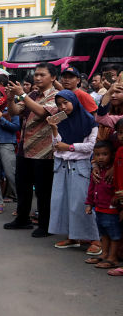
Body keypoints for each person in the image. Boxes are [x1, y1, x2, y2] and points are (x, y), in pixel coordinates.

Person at [4, 63, 59, 237]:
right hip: (25, 149)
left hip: (45, 151)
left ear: (53, 78)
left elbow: (43, 113)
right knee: (23, 187)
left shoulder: (56, 96)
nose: (37, 78)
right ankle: (22, 219)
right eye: (36, 74)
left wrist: (22, 94)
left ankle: (46, 225)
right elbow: (14, 113)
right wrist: (11, 98)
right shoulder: (33, 94)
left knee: (43, 191)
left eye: (42, 75)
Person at [46, 90, 100, 250]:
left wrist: (69, 147)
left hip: (80, 166)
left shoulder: (89, 120)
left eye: (65, 103)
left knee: (82, 203)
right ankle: (73, 236)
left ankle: (95, 239)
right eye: (59, 104)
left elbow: (91, 146)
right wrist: (55, 130)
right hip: (62, 165)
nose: (63, 107)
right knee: (63, 202)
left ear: (74, 102)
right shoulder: (59, 121)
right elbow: (56, 144)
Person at [86, 141, 121, 271]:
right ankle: (104, 253)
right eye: (97, 155)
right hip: (99, 208)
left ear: (112, 155)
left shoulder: (113, 171)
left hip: (111, 210)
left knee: (114, 234)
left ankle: (113, 258)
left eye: (104, 154)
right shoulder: (96, 171)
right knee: (103, 234)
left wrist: (116, 197)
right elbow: (91, 188)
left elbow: (118, 187)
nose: (101, 157)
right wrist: (89, 203)